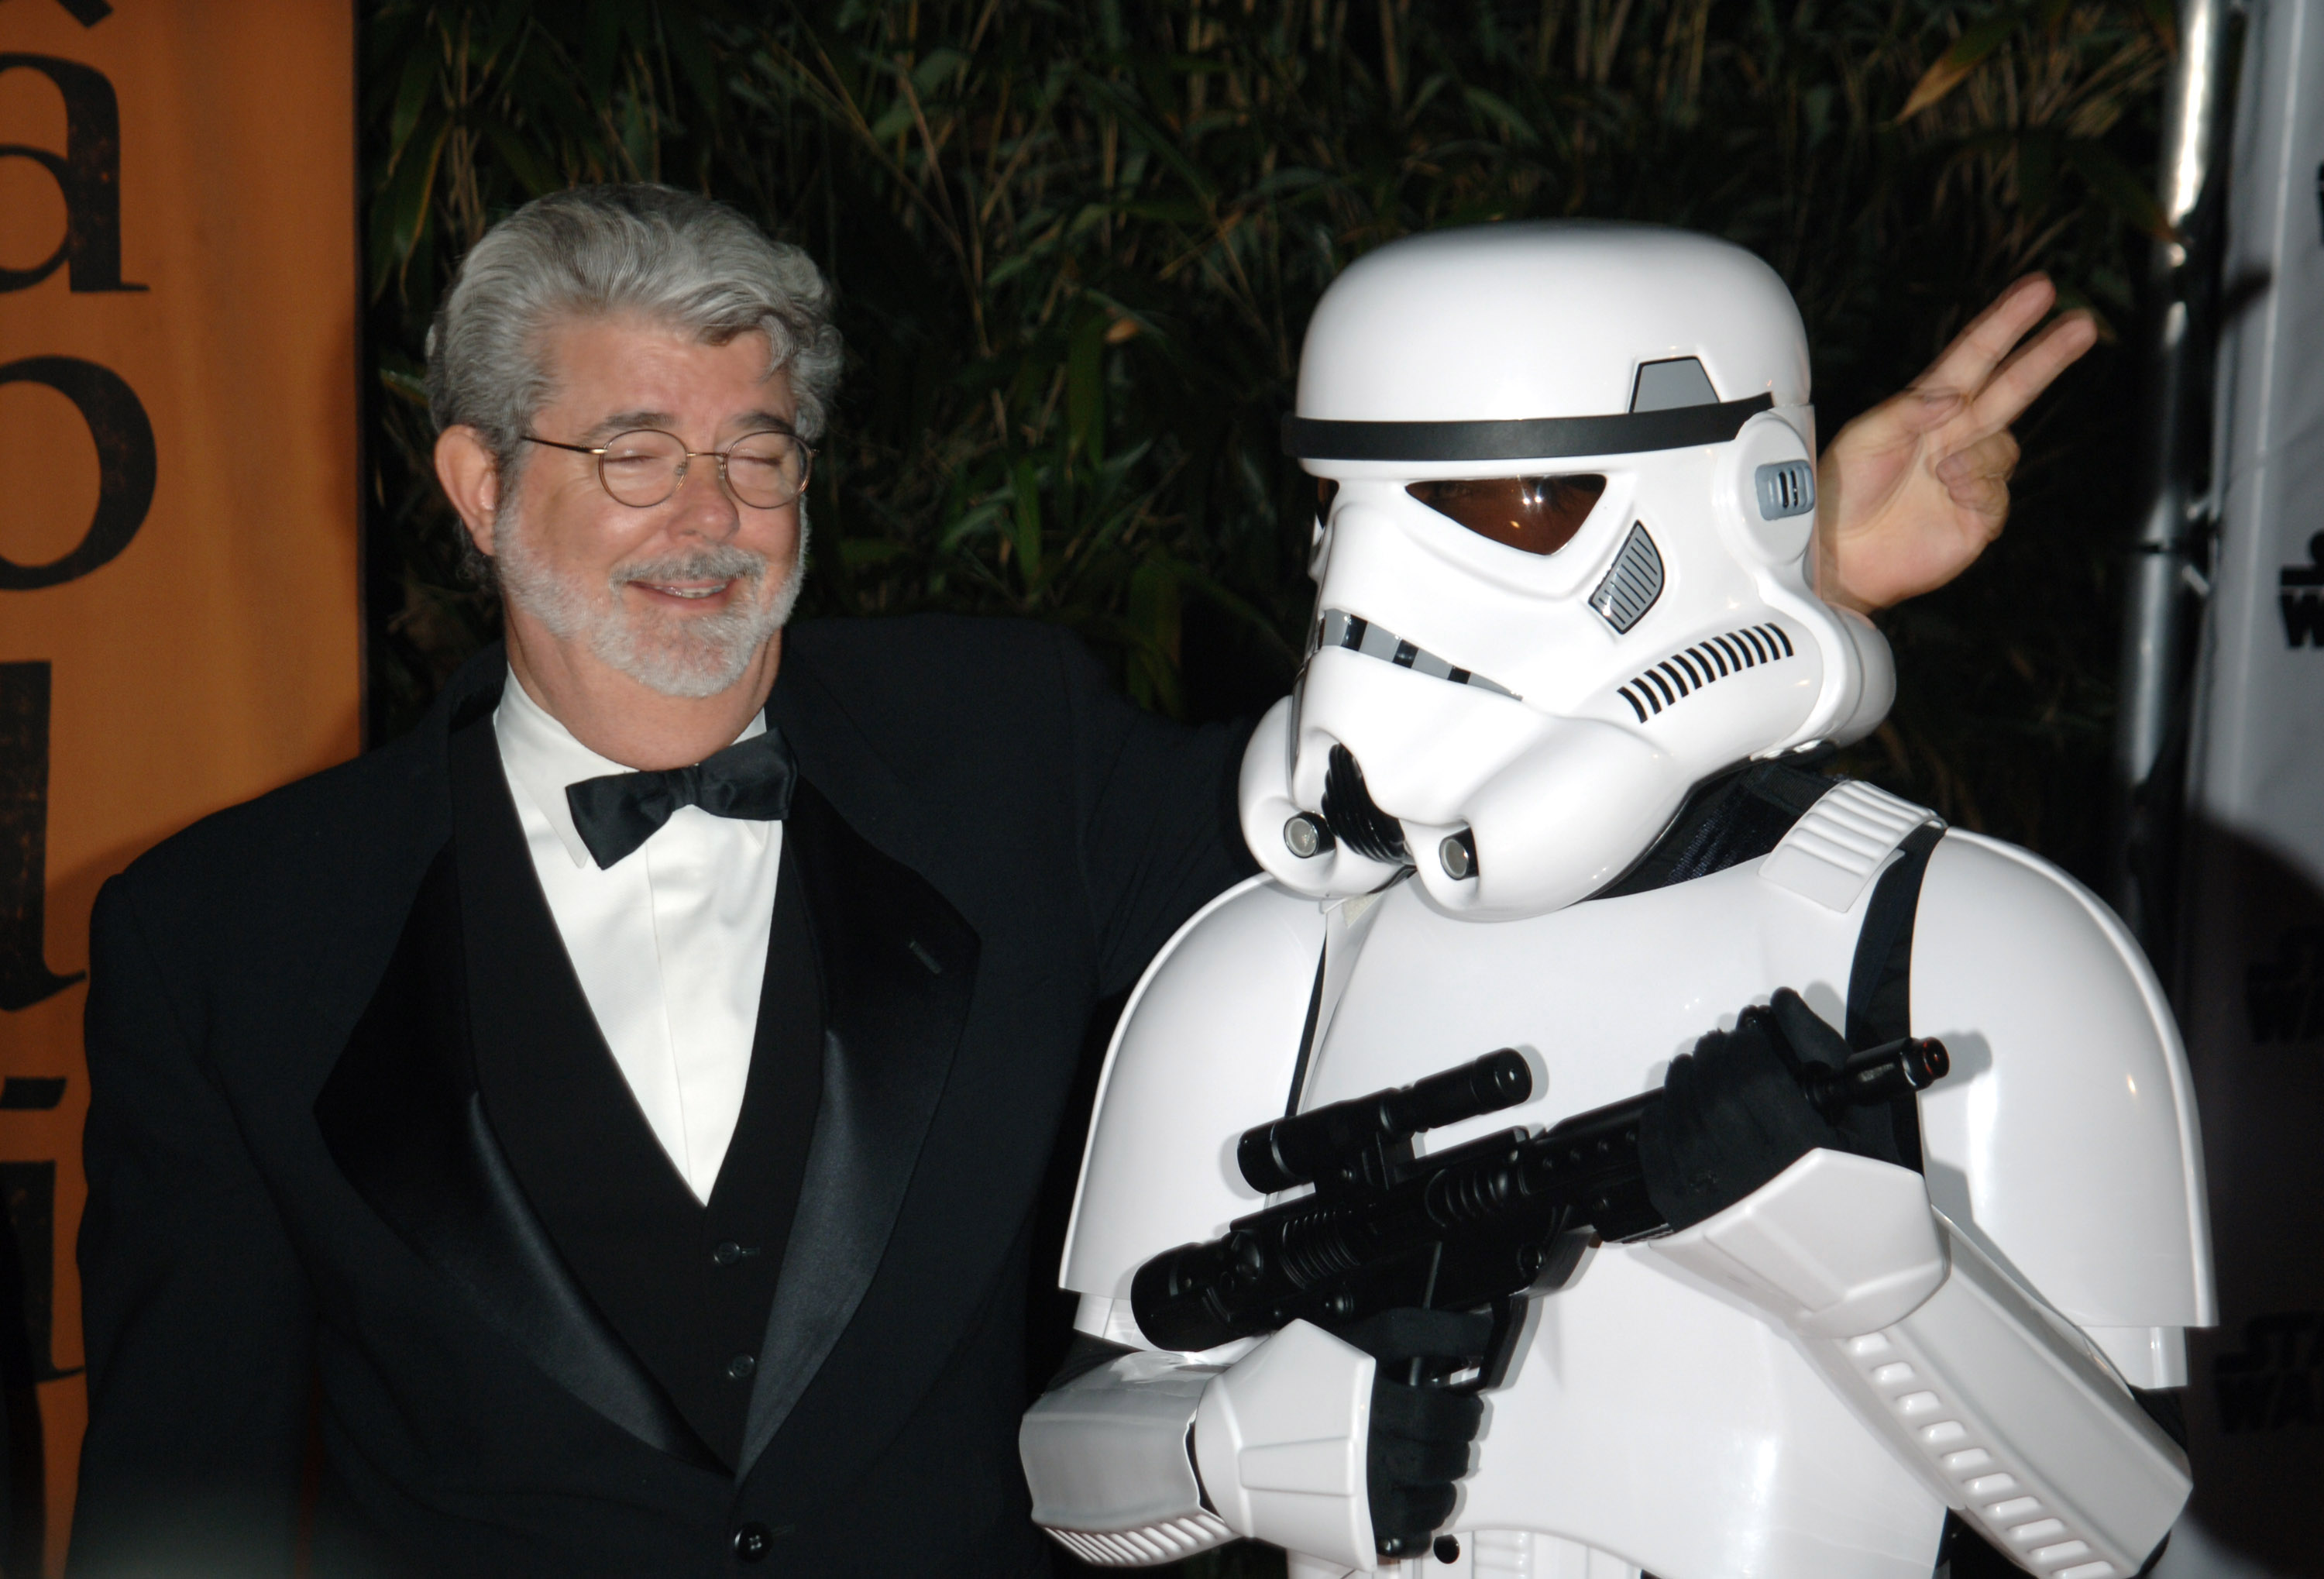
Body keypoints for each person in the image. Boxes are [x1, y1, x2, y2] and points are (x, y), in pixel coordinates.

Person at [68, 186, 2092, 1577]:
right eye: (633, 449)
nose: (711, 514)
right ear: (478, 482)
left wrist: (1784, 561)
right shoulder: (224, 933)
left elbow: (1412, 803)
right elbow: (179, 1492)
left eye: (758, 448)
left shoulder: (1000, 742)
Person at [1020, 224, 2204, 1579]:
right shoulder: (1271, 966)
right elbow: (1067, 1468)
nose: (1376, 598)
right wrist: (1225, 1452)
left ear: (1732, 498)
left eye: (1512, 508)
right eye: (1344, 508)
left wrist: (1861, 1275)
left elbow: (2115, 1528)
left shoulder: (1966, 947)